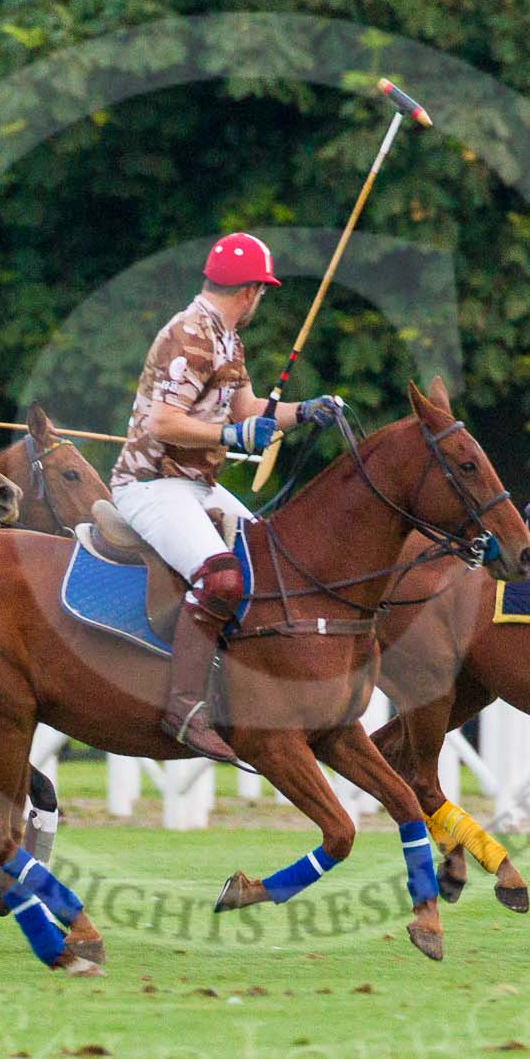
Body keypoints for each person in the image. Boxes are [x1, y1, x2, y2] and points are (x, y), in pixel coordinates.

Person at [108, 232, 342, 763]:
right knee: (221, 575)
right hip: (150, 485)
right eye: (262, 290)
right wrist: (231, 439)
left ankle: (254, 690)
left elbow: (249, 410)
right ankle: (186, 708)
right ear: (251, 290)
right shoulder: (190, 333)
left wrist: (306, 411)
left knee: (272, 557)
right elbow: (162, 420)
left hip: (196, 486)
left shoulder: (226, 339)